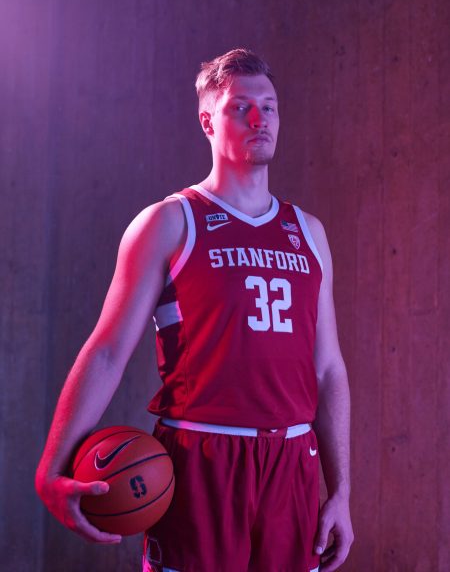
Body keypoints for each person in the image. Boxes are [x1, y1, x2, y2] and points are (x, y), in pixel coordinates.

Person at [36, 48, 354, 572]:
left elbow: (328, 369)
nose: (259, 119)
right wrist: (51, 466)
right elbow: (109, 350)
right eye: (240, 108)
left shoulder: (309, 233)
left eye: (269, 107)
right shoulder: (170, 222)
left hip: (293, 464)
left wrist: (340, 491)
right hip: (202, 462)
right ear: (207, 120)